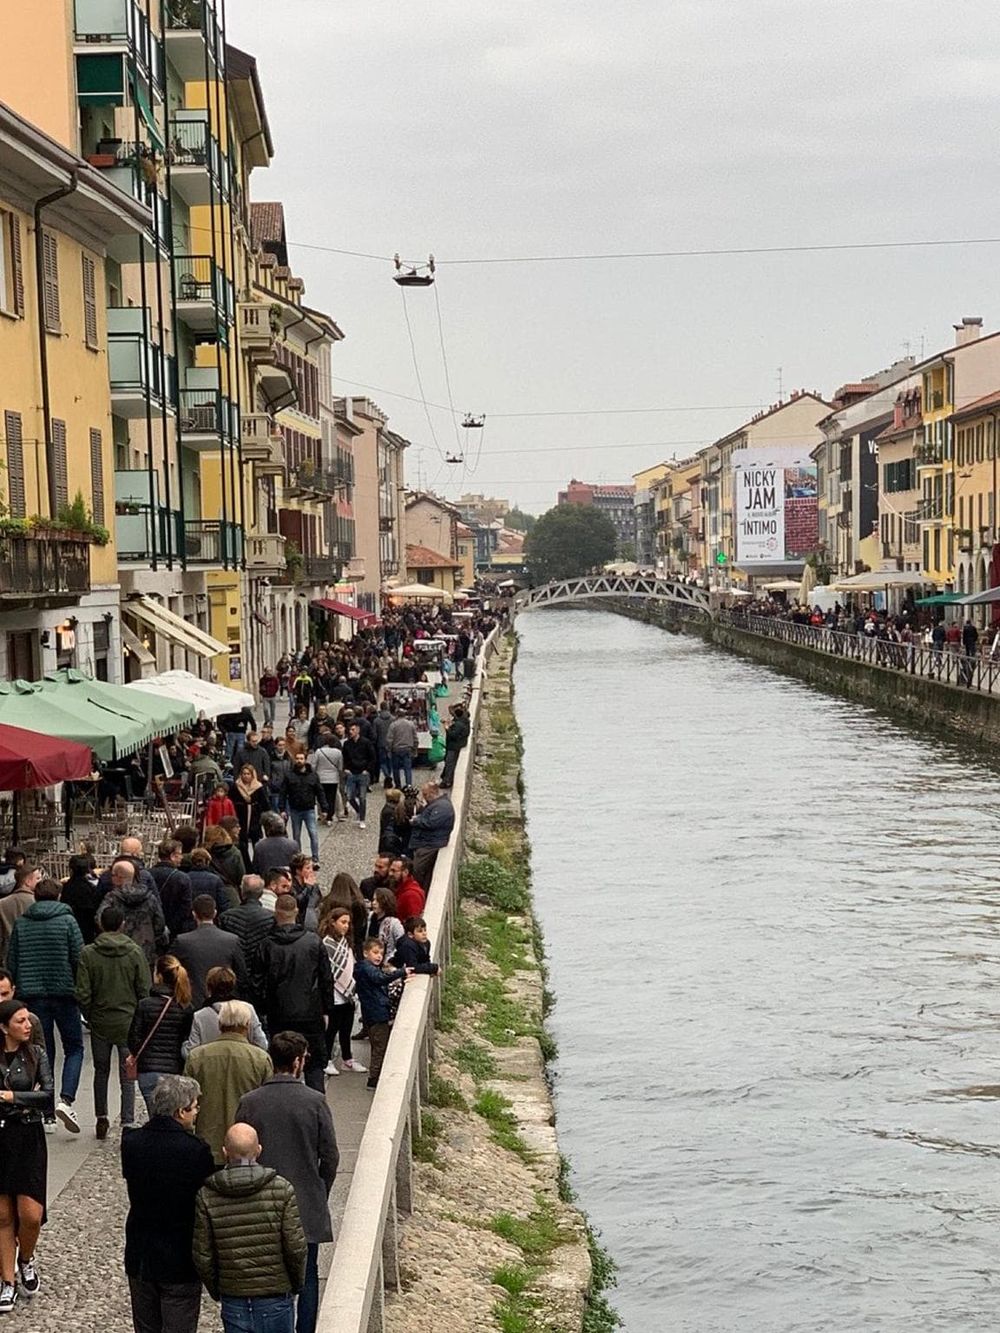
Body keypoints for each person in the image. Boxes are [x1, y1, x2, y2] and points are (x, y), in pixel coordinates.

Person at [236, 1032, 339, 1333]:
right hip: (304, 1203)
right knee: (307, 1277)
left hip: (260, 1204)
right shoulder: (315, 1102)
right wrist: (320, 1189)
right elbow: (330, 1157)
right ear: (297, 1062)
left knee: (266, 1278)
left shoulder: (249, 1102)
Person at [121, 1074, 214, 1333]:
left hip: (141, 1253)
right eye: (194, 1107)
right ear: (180, 1111)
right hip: (180, 1258)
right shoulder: (196, 1150)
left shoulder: (131, 1142)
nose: (196, 1113)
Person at [193, 1122, 306, 1332]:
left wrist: (218, 1289)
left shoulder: (207, 1195)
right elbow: (295, 1247)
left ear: (225, 1152)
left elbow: (203, 1255)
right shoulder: (281, 1189)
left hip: (234, 1296)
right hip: (275, 1295)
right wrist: (295, 1284)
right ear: (259, 1150)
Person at [8, 878, 84, 1133]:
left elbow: (13, 959)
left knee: (43, 1048)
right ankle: (66, 1098)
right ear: (59, 897)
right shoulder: (67, 921)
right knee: (74, 1047)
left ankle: (47, 1109)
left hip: (32, 992)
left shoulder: (22, 923)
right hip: (64, 991)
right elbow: (78, 957)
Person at [75, 904, 150, 1139]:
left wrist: (89, 1013)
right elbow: (144, 989)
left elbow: (83, 992)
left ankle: (101, 1116)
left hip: (100, 1019)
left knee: (101, 1070)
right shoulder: (135, 952)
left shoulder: (88, 953)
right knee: (128, 1074)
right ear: (123, 925)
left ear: (100, 925)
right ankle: (127, 1120)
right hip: (128, 1020)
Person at [0, 998, 53, 1312]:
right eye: (20, 1021)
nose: (28, 1025)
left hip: (28, 1137)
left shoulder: (37, 1055)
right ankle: (7, 1282)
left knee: (30, 1214)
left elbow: (47, 1095)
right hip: (2, 1137)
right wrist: (26, 1098)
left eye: (28, 1020)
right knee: (3, 1215)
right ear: (5, 1027)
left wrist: (11, 1096)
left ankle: (26, 1258)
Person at [256, 896, 334, 1094]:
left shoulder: (267, 945)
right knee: (315, 1065)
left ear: (276, 912)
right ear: (296, 911)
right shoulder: (313, 942)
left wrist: (263, 1008)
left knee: (281, 1064)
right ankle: (317, 1105)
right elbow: (326, 978)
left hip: (279, 1012)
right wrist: (327, 1009)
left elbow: (257, 981)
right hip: (310, 1011)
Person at [184, 1001, 271, 1164]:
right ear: (247, 1025)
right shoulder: (260, 1059)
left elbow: (186, 1102)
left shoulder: (197, 1057)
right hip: (245, 1145)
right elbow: (267, 1105)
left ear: (219, 1023)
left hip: (207, 1142)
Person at [129, 955, 194, 1115]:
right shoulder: (185, 1008)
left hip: (148, 1070)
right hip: (173, 1070)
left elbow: (133, 1039)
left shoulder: (145, 1005)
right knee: (171, 1117)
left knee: (154, 1118)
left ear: (158, 975)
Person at [170, 895, 248, 1010]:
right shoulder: (232, 940)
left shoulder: (182, 941)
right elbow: (242, 975)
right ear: (215, 913)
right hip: (225, 1006)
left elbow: (169, 969)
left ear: (194, 914)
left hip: (192, 1003)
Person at [354, 938, 411, 1090]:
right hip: (378, 1014)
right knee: (380, 1047)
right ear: (366, 953)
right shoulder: (368, 969)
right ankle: (374, 1080)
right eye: (375, 952)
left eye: (381, 953)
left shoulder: (362, 968)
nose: (379, 956)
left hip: (371, 1013)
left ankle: (375, 1077)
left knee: (377, 1046)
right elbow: (380, 979)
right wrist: (401, 972)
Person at [318, 900, 365, 1077]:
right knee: (331, 1029)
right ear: (333, 922)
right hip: (334, 993)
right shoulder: (326, 943)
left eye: (347, 922)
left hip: (348, 993)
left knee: (346, 1028)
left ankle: (348, 1059)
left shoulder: (346, 942)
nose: (346, 926)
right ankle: (327, 1060)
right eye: (342, 922)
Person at [97, 859, 169, 972]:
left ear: (118, 877)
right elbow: (160, 924)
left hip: (116, 951)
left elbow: (100, 919)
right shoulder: (150, 898)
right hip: (145, 951)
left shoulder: (111, 898)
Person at [183, 966, 267, 1058]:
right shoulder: (248, 1009)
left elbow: (190, 1053)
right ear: (233, 985)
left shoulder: (199, 1016)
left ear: (208, 987)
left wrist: (184, 1044)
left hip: (212, 1067)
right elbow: (262, 1044)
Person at [220, 876, 275, 987]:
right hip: (260, 975)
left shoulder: (226, 917)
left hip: (233, 975)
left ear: (242, 892)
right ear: (260, 894)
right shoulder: (271, 918)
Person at [408, 781, 455, 890]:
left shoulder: (442, 807)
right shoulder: (438, 804)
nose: (424, 797)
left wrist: (417, 821)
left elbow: (432, 823)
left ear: (433, 792)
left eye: (425, 794)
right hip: (428, 842)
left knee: (418, 869)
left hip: (431, 844)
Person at [151, 838, 194, 941]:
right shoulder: (182, 878)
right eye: (179, 854)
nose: (182, 857)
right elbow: (185, 907)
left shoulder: (147, 874)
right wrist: (170, 927)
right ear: (172, 856)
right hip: (174, 931)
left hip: (152, 928)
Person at [284, 752, 322, 862]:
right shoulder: (289, 775)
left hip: (309, 808)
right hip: (295, 809)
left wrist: (324, 807)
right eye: (297, 758)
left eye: (301, 758)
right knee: (296, 835)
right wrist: (282, 808)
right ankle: (299, 858)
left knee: (313, 833)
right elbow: (284, 792)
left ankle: (315, 858)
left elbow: (319, 791)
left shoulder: (313, 775)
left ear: (305, 760)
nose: (299, 760)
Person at [0, 863, 40, 965]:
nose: (41, 882)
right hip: (34, 954)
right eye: (38, 878)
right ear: (27, 881)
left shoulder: (2, 904)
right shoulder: (37, 903)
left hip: (8, 956)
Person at [59, 853, 103, 946]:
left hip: (69, 927)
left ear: (71, 869)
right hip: (88, 929)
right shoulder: (90, 888)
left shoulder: (66, 887)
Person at [342, 722, 375, 829]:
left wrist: (368, 770)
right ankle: (359, 811)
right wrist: (346, 768)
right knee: (350, 796)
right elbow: (345, 757)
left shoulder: (366, 743)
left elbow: (372, 757)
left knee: (362, 797)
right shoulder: (347, 744)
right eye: (350, 730)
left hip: (363, 773)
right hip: (351, 772)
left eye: (353, 730)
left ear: (358, 730)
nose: (351, 732)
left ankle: (362, 818)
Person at [232, 763, 269, 859]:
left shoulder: (258, 787)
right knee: (242, 843)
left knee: (255, 841)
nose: (246, 776)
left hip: (254, 817)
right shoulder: (236, 786)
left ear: (253, 775)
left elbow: (265, 803)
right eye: (244, 773)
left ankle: (257, 862)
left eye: (248, 774)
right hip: (241, 816)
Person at [203, 826, 246, 900]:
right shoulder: (235, 853)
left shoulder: (205, 853)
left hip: (211, 891)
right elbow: (241, 876)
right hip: (231, 892)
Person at [252, 811, 300, 879]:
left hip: (268, 882)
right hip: (288, 880)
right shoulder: (293, 845)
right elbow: (298, 868)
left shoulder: (259, 846)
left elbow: (256, 869)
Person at [188, 846, 233, 916]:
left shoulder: (185, 878)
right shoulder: (216, 880)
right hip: (210, 918)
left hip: (191, 918)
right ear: (208, 862)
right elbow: (223, 904)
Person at [311, 733, 343, 825]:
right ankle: (330, 816)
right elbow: (340, 767)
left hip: (321, 778)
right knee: (331, 798)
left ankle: (322, 814)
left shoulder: (319, 751)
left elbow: (313, 765)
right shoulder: (338, 752)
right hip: (333, 778)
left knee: (321, 797)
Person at [371, 887, 404, 967]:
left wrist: (390, 960)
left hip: (386, 965)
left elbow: (402, 945)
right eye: (373, 900)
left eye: (377, 900)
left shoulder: (394, 923)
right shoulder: (370, 918)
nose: (374, 903)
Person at [387, 856, 426, 924]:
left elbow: (413, 923)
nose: (390, 874)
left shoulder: (412, 895)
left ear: (405, 872)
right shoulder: (400, 888)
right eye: (390, 870)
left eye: (394, 871)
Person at [386, 710, 418, 790]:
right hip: (407, 748)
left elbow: (389, 739)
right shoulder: (411, 724)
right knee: (407, 768)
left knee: (396, 768)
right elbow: (415, 738)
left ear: (397, 715)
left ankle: (398, 785)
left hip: (396, 749)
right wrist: (415, 749)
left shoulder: (393, 725)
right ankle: (409, 784)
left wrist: (389, 750)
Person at [440, 702, 470, 788]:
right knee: (450, 763)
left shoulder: (459, 724)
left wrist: (447, 728)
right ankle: (446, 779)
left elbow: (453, 735)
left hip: (453, 747)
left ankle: (447, 781)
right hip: (457, 745)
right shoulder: (464, 721)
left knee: (450, 764)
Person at [290, 854, 322, 934]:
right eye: (307, 868)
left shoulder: (311, 882)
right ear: (298, 871)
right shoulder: (291, 885)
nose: (311, 870)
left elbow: (318, 897)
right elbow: (297, 902)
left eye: (311, 867)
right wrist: (308, 888)